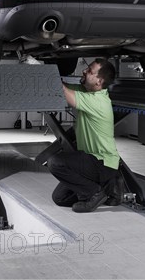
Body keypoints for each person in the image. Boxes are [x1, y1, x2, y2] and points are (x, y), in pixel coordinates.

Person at [48, 58, 122, 213]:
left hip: (102, 163)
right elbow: (64, 88)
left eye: (89, 71)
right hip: (92, 160)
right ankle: (108, 188)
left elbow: (62, 91)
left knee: (55, 162)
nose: (84, 71)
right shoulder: (86, 90)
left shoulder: (99, 101)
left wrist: (39, 68)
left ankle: (95, 193)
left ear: (99, 81)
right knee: (59, 198)